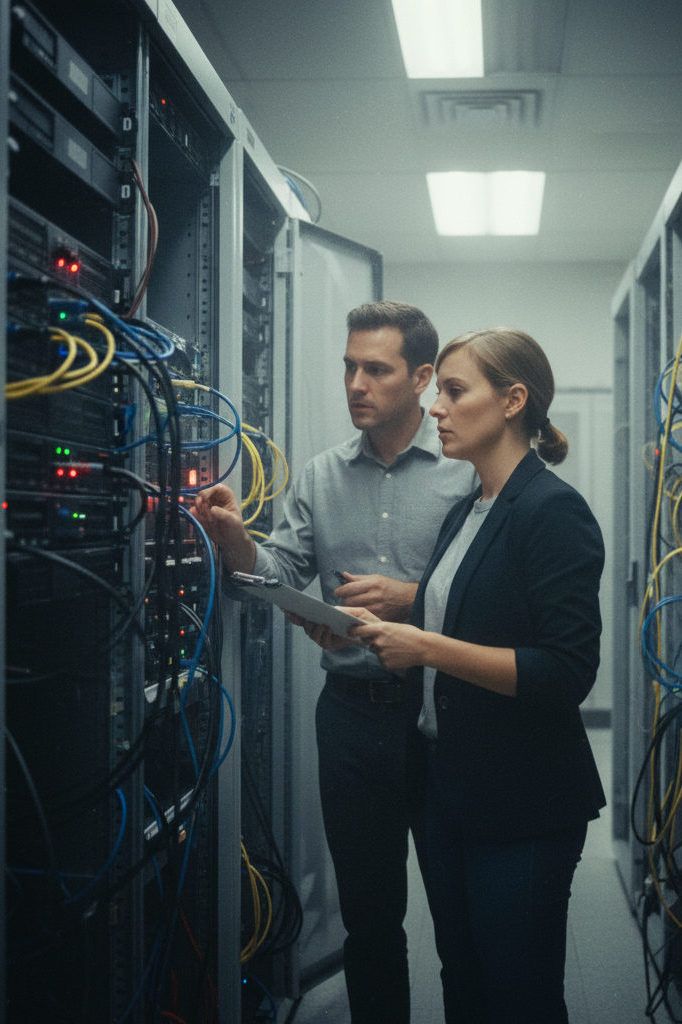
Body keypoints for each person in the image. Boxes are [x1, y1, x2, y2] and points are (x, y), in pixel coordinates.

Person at [191, 300, 477, 1024]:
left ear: (419, 379)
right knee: (369, 922)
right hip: (350, 722)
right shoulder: (320, 476)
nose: (356, 383)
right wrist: (233, 541)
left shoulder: (466, 472)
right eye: (350, 367)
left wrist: (411, 599)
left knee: (461, 920)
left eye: (375, 370)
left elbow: (493, 592)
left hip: (444, 720)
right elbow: (280, 569)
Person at [347, 327, 606, 1024]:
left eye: (455, 391)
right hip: (449, 791)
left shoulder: (553, 511)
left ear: (513, 400)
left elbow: (566, 670)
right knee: (464, 981)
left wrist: (425, 646)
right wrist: (376, 623)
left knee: (518, 996)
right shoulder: (471, 510)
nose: (437, 408)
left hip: (522, 801)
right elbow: (470, 615)